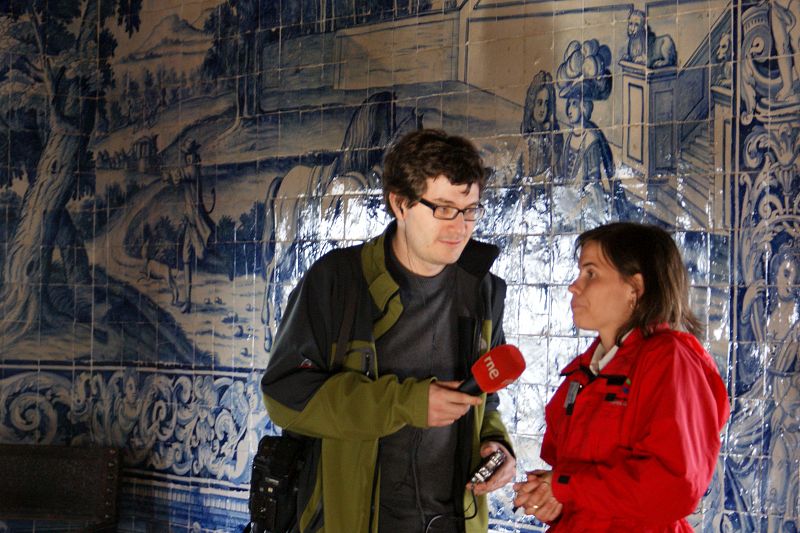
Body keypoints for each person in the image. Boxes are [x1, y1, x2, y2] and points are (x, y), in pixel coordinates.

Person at [261, 129, 516, 533]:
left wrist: (497, 444)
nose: (461, 227)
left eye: (470, 210)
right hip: (356, 521)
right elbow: (284, 396)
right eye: (444, 208)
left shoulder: (483, 289)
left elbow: (486, 398)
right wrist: (405, 403)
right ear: (400, 203)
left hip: (452, 521)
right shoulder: (338, 280)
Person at [513, 222, 729, 531]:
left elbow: (673, 485)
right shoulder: (585, 370)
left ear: (634, 289)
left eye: (591, 274)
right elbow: (572, 477)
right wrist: (552, 499)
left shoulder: (669, 360)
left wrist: (565, 487)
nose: (574, 286)